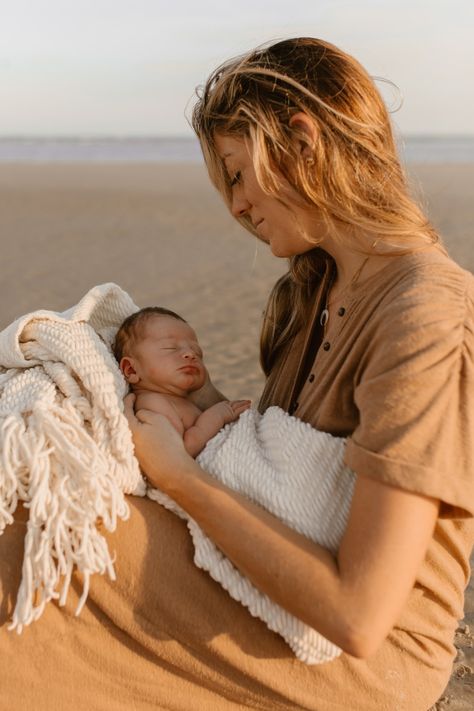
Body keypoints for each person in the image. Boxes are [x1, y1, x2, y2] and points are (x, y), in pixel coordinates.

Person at [1, 37, 472, 711]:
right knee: (32, 481)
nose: (235, 205)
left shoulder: (426, 311)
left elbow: (359, 614)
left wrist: (178, 476)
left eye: (235, 173)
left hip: (357, 657)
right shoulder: (318, 289)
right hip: (260, 572)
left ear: (302, 141)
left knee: (29, 540)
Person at [113, 306, 251, 457]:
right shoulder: (152, 403)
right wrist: (217, 417)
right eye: (170, 348)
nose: (190, 354)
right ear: (131, 370)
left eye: (197, 351)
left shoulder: (175, 399)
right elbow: (180, 452)